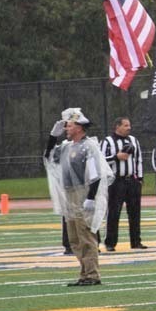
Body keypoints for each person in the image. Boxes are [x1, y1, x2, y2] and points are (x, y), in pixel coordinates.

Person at [43, 108, 112, 286]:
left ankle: (92, 274)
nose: (66, 128)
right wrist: (52, 137)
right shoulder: (66, 146)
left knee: (86, 235)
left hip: (83, 192)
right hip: (69, 193)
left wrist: (91, 197)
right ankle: (84, 273)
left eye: (70, 125)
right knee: (74, 238)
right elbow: (48, 156)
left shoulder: (89, 146)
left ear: (80, 127)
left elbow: (96, 174)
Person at [101, 117, 146, 251]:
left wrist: (139, 178)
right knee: (114, 212)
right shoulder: (107, 141)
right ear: (117, 126)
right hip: (116, 181)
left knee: (135, 213)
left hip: (132, 180)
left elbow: (138, 160)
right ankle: (110, 243)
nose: (129, 128)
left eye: (129, 125)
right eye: (126, 125)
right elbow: (100, 160)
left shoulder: (134, 140)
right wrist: (116, 157)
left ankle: (136, 241)